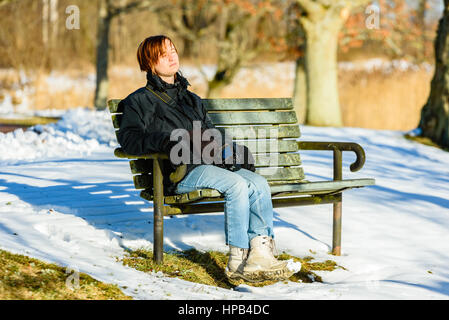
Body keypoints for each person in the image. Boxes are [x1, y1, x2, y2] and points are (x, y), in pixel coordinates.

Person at [117, 35, 293, 282]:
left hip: (208, 165)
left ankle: (260, 255)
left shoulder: (191, 99)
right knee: (237, 185)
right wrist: (166, 142)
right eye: (163, 53)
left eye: (173, 50)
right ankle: (238, 260)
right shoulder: (139, 101)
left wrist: (232, 152)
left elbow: (211, 135)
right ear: (149, 62)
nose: (171, 56)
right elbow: (130, 140)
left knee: (257, 182)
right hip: (179, 172)